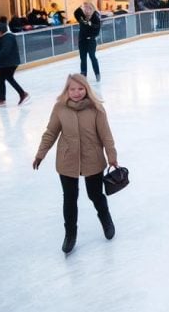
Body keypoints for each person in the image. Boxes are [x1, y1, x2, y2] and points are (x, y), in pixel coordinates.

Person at [33, 74, 117, 254]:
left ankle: (106, 219)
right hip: (67, 160)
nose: (76, 93)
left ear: (86, 89)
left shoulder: (96, 109)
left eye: (80, 89)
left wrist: (112, 156)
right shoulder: (60, 108)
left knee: (95, 195)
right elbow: (51, 132)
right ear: (67, 90)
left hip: (92, 158)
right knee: (69, 199)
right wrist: (41, 154)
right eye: (72, 89)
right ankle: (70, 234)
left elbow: (106, 136)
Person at [0, 21, 29, 107]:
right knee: (2, 79)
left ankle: (22, 94)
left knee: (8, 78)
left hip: (10, 63)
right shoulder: (4, 37)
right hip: (7, 63)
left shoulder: (8, 37)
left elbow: (5, 52)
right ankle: (2, 98)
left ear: (1, 30)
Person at [74, 2, 102, 82]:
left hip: (91, 41)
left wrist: (91, 27)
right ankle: (83, 75)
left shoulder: (95, 18)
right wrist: (81, 5)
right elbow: (76, 13)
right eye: (85, 8)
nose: (87, 10)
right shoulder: (81, 18)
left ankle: (97, 73)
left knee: (92, 56)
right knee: (83, 58)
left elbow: (97, 30)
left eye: (89, 8)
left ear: (92, 9)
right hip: (82, 41)